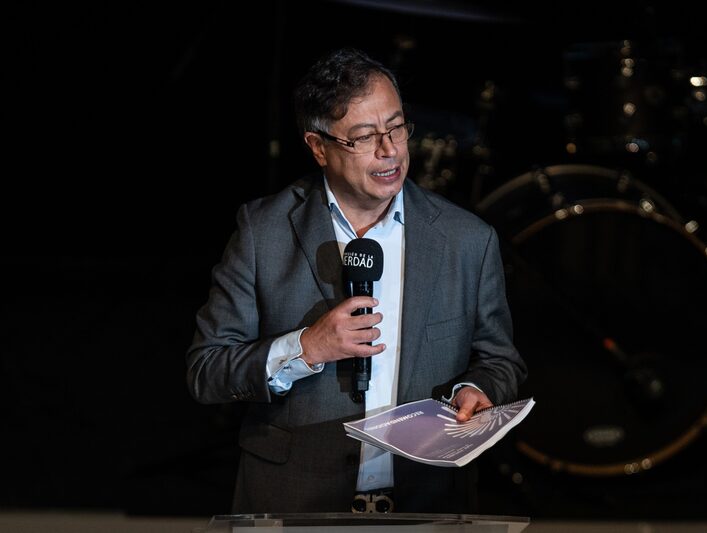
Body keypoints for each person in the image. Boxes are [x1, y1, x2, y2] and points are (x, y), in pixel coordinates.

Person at [186, 46, 527, 515]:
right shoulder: (262, 232)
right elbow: (207, 372)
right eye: (365, 137)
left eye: (397, 128)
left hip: (425, 500)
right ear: (318, 147)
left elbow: (500, 360)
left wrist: (478, 389)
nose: (389, 151)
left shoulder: (467, 240)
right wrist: (305, 348)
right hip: (294, 500)